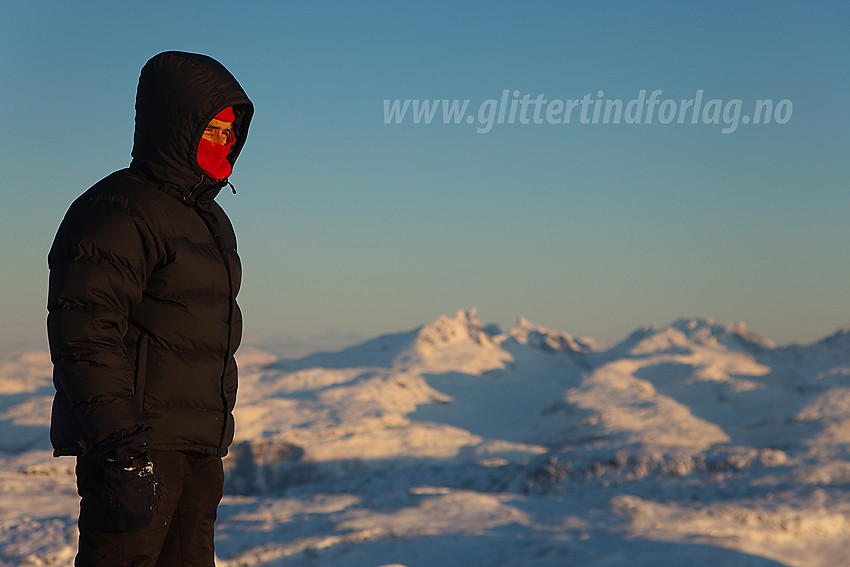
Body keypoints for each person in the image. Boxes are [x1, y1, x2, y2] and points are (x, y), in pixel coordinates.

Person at [46, 51, 253, 566]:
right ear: (176, 126)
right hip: (136, 452)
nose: (223, 143)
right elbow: (84, 336)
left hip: (195, 451)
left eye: (229, 131)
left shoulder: (209, 219)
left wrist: (210, 445)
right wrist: (122, 445)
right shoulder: (117, 211)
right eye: (212, 130)